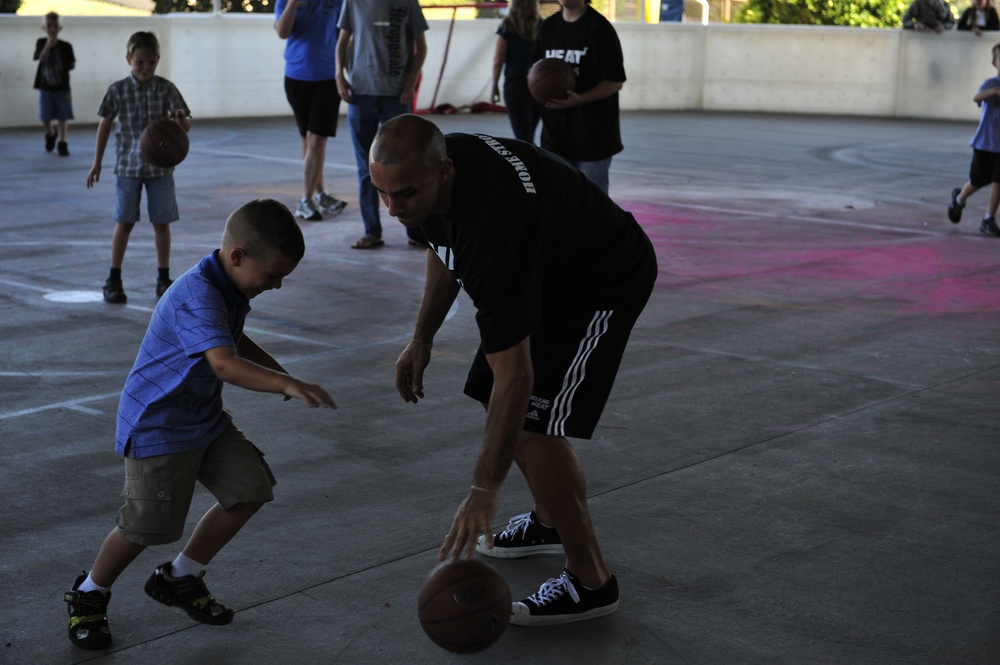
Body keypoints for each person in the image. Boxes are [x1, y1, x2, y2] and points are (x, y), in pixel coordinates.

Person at [373, 115, 657, 626]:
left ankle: (592, 581)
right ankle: (550, 520)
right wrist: (422, 336)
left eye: (404, 194)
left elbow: (518, 379)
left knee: (531, 422)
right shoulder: (426, 178)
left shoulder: (494, 223)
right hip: (546, 266)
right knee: (494, 396)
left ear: (444, 172)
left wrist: (484, 489)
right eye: (382, 194)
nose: (394, 210)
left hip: (600, 277)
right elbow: (443, 244)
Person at [63, 198, 337, 651]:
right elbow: (226, 365)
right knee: (144, 527)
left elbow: (235, 338)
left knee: (250, 488)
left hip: (202, 417)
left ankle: (180, 577)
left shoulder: (231, 287)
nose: (278, 285)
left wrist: (283, 376)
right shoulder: (199, 294)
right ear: (237, 256)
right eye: (272, 275)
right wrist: (284, 387)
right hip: (159, 425)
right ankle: (89, 594)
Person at [87, 31, 190, 305]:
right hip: (128, 167)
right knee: (124, 222)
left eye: (151, 63)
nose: (145, 68)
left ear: (158, 60)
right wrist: (97, 162)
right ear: (129, 60)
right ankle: (114, 278)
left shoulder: (166, 89)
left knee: (162, 223)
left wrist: (180, 121)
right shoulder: (117, 90)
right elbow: (105, 124)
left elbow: (185, 125)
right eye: (140, 62)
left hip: (160, 170)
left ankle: (163, 277)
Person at [335, 0, 428, 249]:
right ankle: (372, 231)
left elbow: (421, 48)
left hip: (396, 97)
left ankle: (416, 231)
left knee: (408, 165)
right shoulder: (353, 3)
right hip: (360, 94)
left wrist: (410, 83)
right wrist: (339, 78)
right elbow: (342, 42)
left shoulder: (407, 3)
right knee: (366, 168)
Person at [532, 0, 625, 194]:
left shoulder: (599, 28)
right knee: (559, 201)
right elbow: (534, 72)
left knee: (593, 202)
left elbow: (615, 81)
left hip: (593, 135)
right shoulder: (548, 27)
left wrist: (580, 99)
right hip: (555, 134)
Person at [275, 0, 349, 222]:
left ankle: (306, 200)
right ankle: (319, 195)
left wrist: (345, 73)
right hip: (296, 77)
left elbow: (344, 37)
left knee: (316, 140)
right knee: (309, 140)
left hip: (327, 78)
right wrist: (294, 4)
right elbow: (282, 32)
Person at [948, 43, 1000, 236]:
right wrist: (995, 92)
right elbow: (976, 97)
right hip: (985, 143)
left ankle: (989, 219)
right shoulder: (990, 84)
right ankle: (959, 199)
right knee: (978, 181)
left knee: (998, 183)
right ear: (995, 62)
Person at [491, 0, 543, 144]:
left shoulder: (507, 25)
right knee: (529, 131)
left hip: (515, 84)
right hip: (538, 83)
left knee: (523, 136)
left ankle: (529, 164)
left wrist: (494, 85)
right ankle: (534, 162)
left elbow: (498, 60)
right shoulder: (541, 25)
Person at [33, 12, 75, 157]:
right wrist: (48, 46)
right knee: (45, 116)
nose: (52, 29)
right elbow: (41, 58)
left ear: (60, 27)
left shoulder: (66, 46)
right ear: (44, 27)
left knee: (63, 116)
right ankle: (51, 133)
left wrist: (68, 66)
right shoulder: (40, 43)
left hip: (62, 87)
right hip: (46, 87)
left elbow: (72, 64)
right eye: (49, 26)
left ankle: (63, 142)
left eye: (55, 26)